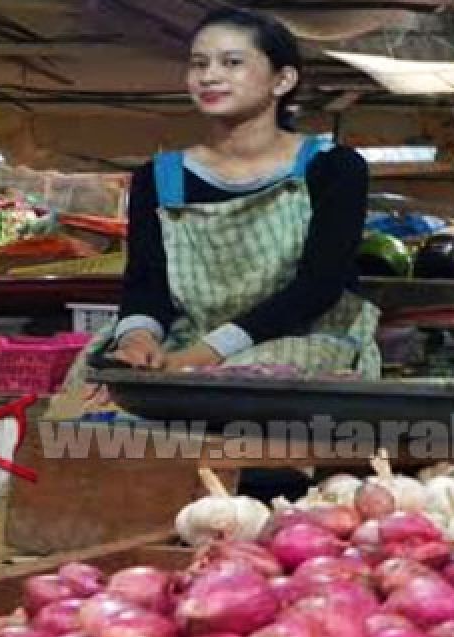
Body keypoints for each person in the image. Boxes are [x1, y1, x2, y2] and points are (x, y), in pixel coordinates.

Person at [66, 8, 379, 400]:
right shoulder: (161, 178)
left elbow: (320, 285)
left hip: (301, 336)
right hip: (186, 338)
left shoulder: (332, 168)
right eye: (199, 64)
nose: (209, 76)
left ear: (282, 80)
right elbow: (147, 284)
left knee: (233, 392)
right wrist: (139, 337)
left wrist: (204, 355)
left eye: (232, 63)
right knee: (90, 404)